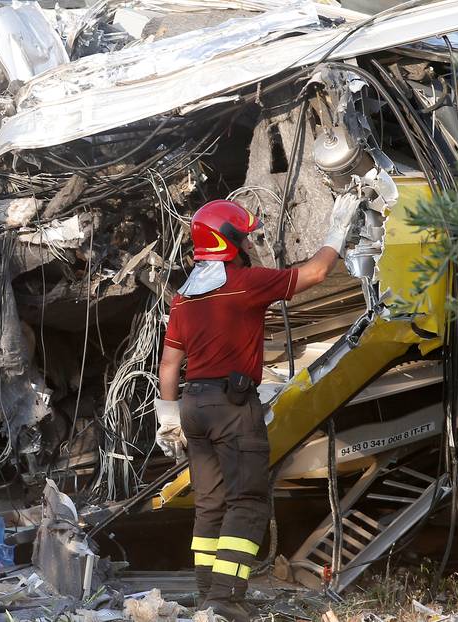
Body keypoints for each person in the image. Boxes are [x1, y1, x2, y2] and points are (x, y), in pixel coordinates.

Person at [154, 194, 362, 621]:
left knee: (210, 504)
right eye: (244, 239)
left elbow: (169, 365)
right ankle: (226, 599)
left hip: (192, 407)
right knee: (247, 501)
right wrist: (338, 229)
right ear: (228, 241)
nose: (250, 246)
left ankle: (206, 594)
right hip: (232, 406)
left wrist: (168, 418)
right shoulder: (244, 282)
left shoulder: (184, 297)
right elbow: (318, 272)